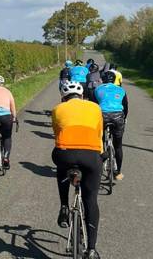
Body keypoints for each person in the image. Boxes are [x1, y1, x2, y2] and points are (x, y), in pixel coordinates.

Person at [52, 81, 103, 259]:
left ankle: (64, 207)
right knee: (90, 200)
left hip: (65, 154)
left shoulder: (58, 109)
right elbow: (99, 134)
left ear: (63, 97)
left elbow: (57, 134)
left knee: (60, 163)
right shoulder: (95, 108)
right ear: (82, 96)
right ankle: (91, 249)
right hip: (91, 156)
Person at [94, 71, 128, 181]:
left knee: (99, 141)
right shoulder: (121, 90)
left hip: (102, 115)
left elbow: (93, 106)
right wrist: (124, 118)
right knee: (118, 146)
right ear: (114, 80)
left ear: (102, 80)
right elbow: (125, 107)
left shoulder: (98, 89)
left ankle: (98, 166)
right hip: (118, 117)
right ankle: (118, 172)